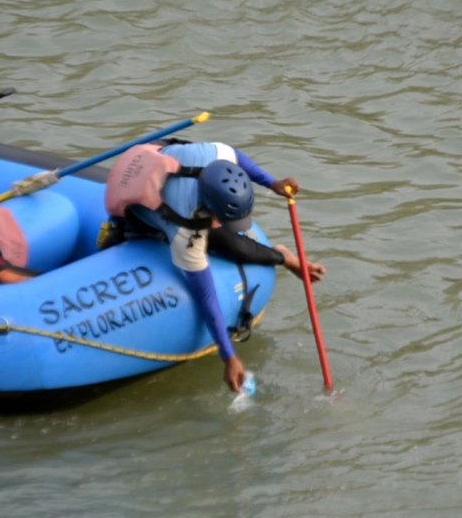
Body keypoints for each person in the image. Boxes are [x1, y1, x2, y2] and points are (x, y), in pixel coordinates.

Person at [102, 140, 325, 391]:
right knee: (108, 251)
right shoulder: (185, 229)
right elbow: (206, 294)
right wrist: (228, 356)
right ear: (208, 209)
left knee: (230, 242)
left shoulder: (214, 155)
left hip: (151, 156)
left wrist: (272, 183)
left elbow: (237, 157)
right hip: (130, 204)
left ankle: (284, 257)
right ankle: (283, 256)